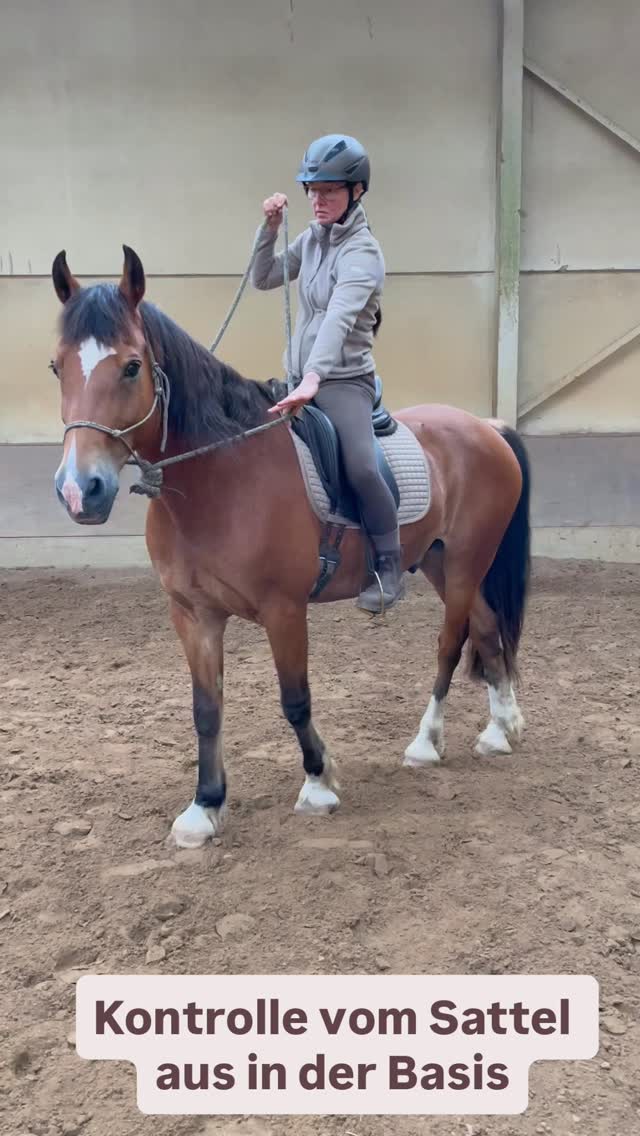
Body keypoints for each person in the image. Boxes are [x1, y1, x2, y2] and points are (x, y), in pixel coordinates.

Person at [250, 133, 404, 614]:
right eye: (312, 191)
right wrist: (269, 229)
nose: (318, 200)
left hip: (342, 383)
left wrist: (314, 378)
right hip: (301, 378)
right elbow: (265, 278)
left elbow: (337, 320)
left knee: (360, 463)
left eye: (330, 191)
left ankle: (389, 564)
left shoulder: (364, 254)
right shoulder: (311, 240)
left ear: (356, 192)